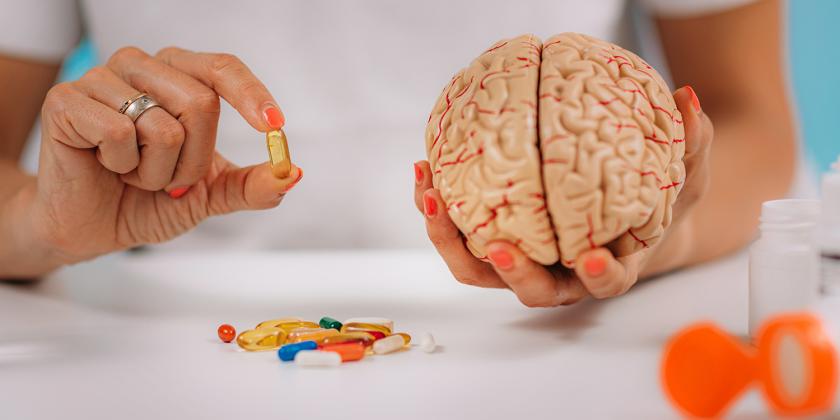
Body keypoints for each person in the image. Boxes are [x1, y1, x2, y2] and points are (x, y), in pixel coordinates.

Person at [0, 1, 797, 307]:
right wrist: (38, 226)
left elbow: (752, 118)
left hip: (583, 347)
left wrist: (665, 237)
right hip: (170, 341)